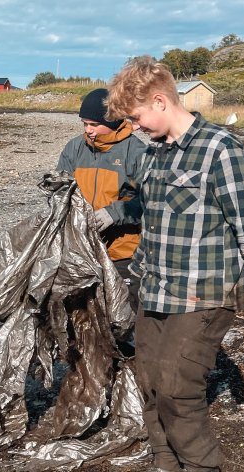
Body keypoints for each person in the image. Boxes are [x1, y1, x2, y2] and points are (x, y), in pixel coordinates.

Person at [106, 56, 244, 472]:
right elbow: (150, 215)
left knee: (176, 382)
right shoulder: (154, 151)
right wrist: (134, 266)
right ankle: (165, 459)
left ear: (161, 101)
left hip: (205, 290)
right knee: (147, 376)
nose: (133, 127)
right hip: (156, 286)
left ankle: (200, 464)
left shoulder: (221, 150)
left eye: (135, 117)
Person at [56, 88, 146, 312]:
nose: (89, 130)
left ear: (113, 120)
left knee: (123, 316)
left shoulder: (137, 152)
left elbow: (151, 200)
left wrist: (113, 214)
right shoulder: (74, 148)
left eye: (94, 124)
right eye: (85, 124)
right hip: (81, 248)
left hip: (122, 253)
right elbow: (62, 188)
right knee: (83, 313)